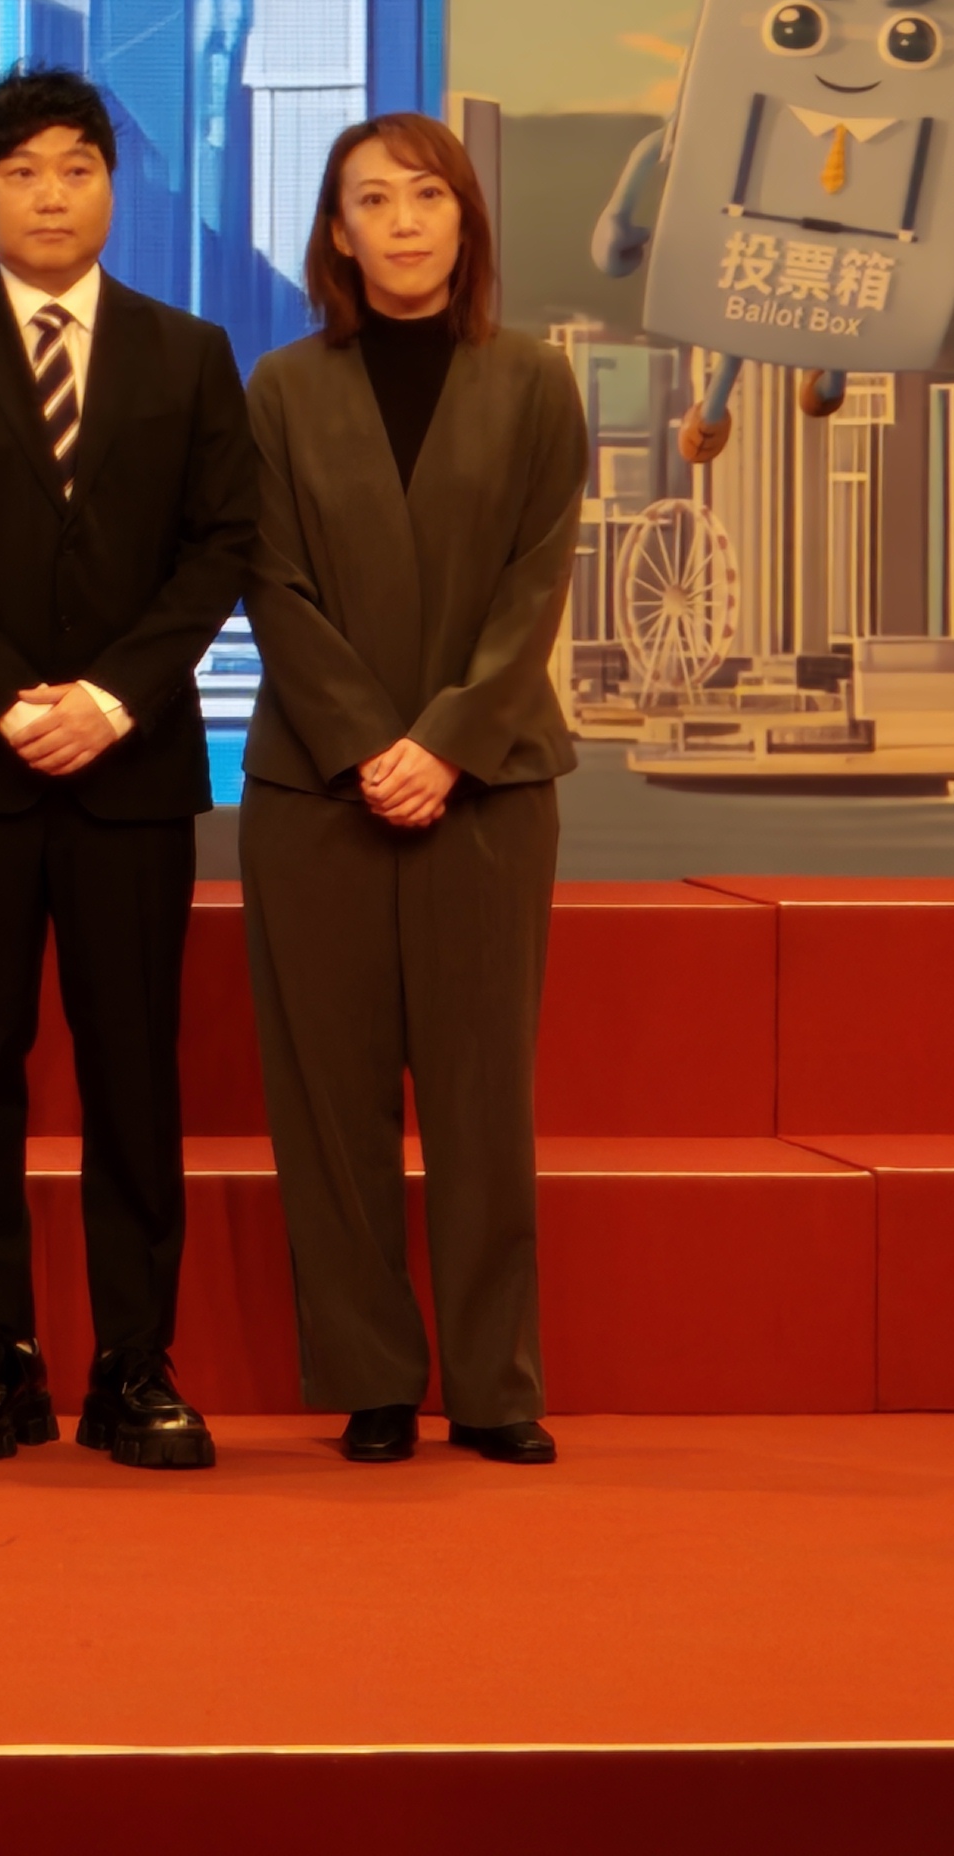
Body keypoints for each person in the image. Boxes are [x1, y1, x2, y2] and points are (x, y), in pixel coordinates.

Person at [0, 64, 258, 1471]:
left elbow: (221, 543)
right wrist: (8, 699)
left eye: (77, 167)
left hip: (130, 775)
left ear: (112, 188)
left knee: (133, 1069)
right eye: (20, 172)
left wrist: (109, 698)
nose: (50, 195)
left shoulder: (189, 352)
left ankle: (136, 1362)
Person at [241, 114, 583, 1469]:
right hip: (315, 792)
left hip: (488, 789)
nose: (401, 221)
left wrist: (443, 743)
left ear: (464, 219)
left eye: (426, 195)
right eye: (371, 200)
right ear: (336, 232)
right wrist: (363, 743)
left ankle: (495, 1385)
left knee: (483, 1099)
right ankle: (371, 1378)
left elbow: (537, 578)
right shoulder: (280, 388)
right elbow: (272, 580)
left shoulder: (535, 381)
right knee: (330, 1104)